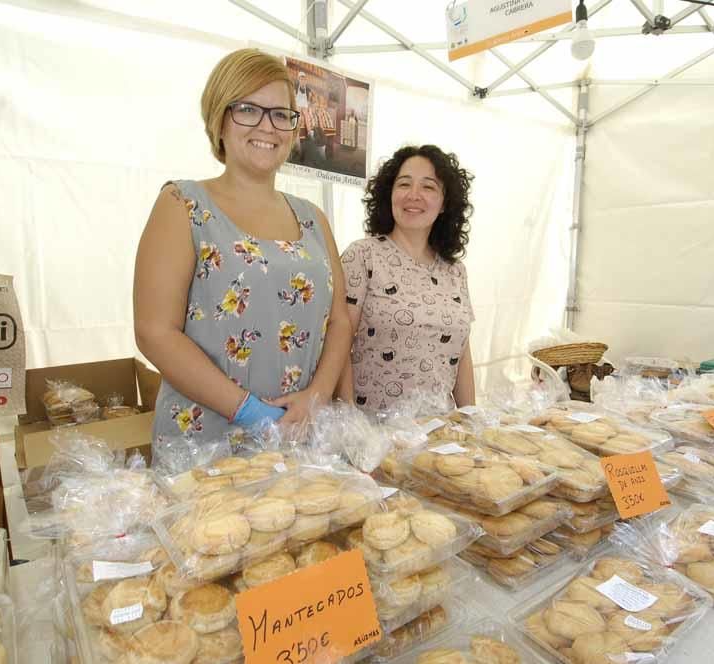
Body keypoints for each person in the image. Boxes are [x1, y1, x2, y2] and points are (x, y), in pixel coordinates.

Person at [134, 48, 350, 454]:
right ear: (219, 119)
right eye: (249, 110)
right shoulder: (183, 205)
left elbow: (339, 321)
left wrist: (316, 397)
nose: (268, 127)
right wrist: (249, 412)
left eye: (281, 114)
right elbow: (155, 331)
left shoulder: (313, 219)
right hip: (207, 445)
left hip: (300, 438)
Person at [338, 145, 476, 413]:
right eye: (404, 184)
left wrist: (471, 417)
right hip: (375, 430)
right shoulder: (363, 256)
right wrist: (349, 418)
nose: (414, 196)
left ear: (445, 203)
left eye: (428, 187)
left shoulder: (455, 270)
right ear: (389, 194)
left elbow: (462, 354)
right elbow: (338, 343)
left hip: (440, 430)